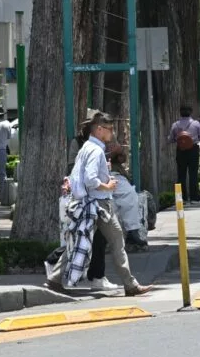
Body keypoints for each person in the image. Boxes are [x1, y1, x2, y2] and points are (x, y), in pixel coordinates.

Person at [46, 112, 153, 297]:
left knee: (77, 240)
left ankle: (54, 278)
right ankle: (130, 284)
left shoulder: (87, 147)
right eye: (109, 129)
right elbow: (90, 179)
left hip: (87, 204)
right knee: (117, 240)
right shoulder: (96, 151)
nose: (112, 133)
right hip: (99, 204)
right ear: (99, 129)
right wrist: (107, 185)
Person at [168, 105, 200, 203]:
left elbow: (171, 139)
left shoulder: (175, 125)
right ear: (191, 112)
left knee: (181, 175)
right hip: (193, 149)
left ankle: (182, 198)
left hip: (181, 151)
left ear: (180, 112)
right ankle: (194, 198)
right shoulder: (196, 124)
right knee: (193, 174)